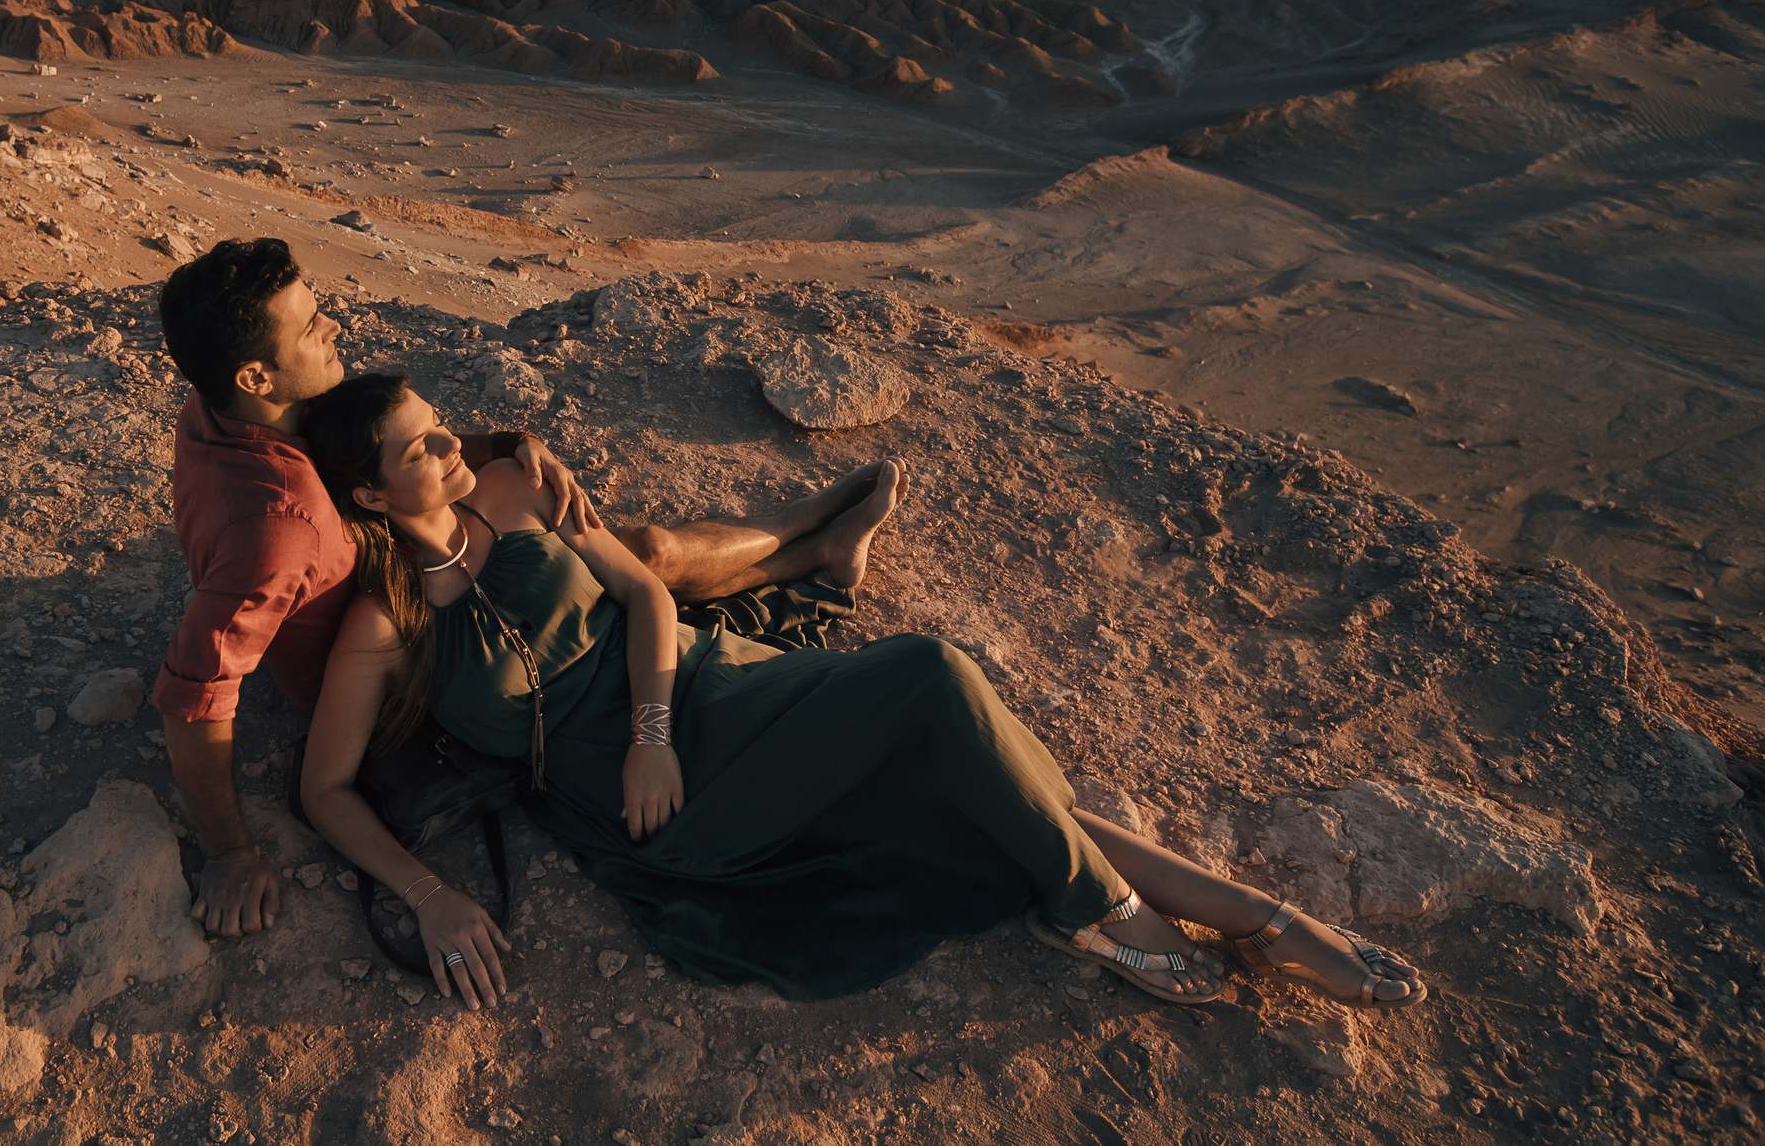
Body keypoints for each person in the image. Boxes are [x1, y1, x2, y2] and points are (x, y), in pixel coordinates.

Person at [294, 372, 1430, 1017]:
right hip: (647, 804)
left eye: (440, 427)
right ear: (368, 490)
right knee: (930, 686)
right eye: (419, 445)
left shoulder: (509, 488)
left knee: (959, 768)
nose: (449, 440)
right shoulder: (384, 625)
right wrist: (429, 896)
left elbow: (645, 598)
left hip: (698, 698)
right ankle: (1161, 917)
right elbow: (328, 790)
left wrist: (652, 727)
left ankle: (1240, 915)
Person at [154, 239, 899, 940]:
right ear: (256, 375)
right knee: (641, 560)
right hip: (407, 655)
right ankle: (806, 536)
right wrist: (228, 852)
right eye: (314, 326)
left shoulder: (223, 407)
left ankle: (812, 540)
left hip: (400, 562)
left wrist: (507, 448)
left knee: (638, 552)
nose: (335, 325)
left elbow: (382, 442)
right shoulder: (280, 532)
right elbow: (195, 697)